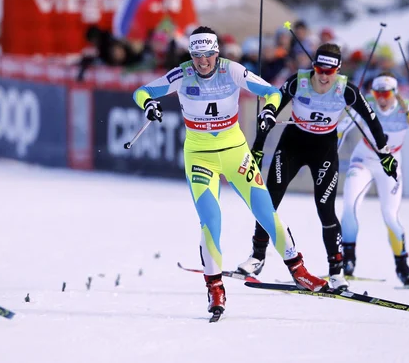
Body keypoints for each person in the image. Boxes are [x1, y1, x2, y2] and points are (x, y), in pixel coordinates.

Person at [132, 26, 327, 320]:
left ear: (217, 53)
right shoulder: (182, 74)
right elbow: (142, 91)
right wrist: (148, 104)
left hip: (235, 152)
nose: (203, 62)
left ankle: (298, 270)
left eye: (208, 55)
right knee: (211, 220)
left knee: (266, 212)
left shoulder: (232, 71)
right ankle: (215, 288)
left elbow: (272, 92)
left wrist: (269, 111)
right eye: (197, 55)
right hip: (200, 157)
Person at [238, 43, 399, 291]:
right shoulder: (298, 82)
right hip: (293, 143)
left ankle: (336, 271)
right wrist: (258, 147)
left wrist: (384, 153)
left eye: (329, 71)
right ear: (313, 66)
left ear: (338, 69)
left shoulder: (346, 90)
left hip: (323, 149)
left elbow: (372, 120)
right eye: (319, 69)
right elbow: (269, 114)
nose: (323, 76)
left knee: (325, 209)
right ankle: (257, 256)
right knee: (268, 201)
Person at [337, 73, 409, 285]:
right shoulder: (365, 104)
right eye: (377, 92)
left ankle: (402, 266)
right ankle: (348, 260)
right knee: (349, 206)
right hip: (363, 159)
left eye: (385, 93)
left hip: (390, 164)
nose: (380, 98)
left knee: (390, 216)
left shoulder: (406, 108)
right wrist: (330, 159)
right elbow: (340, 130)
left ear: (394, 93)